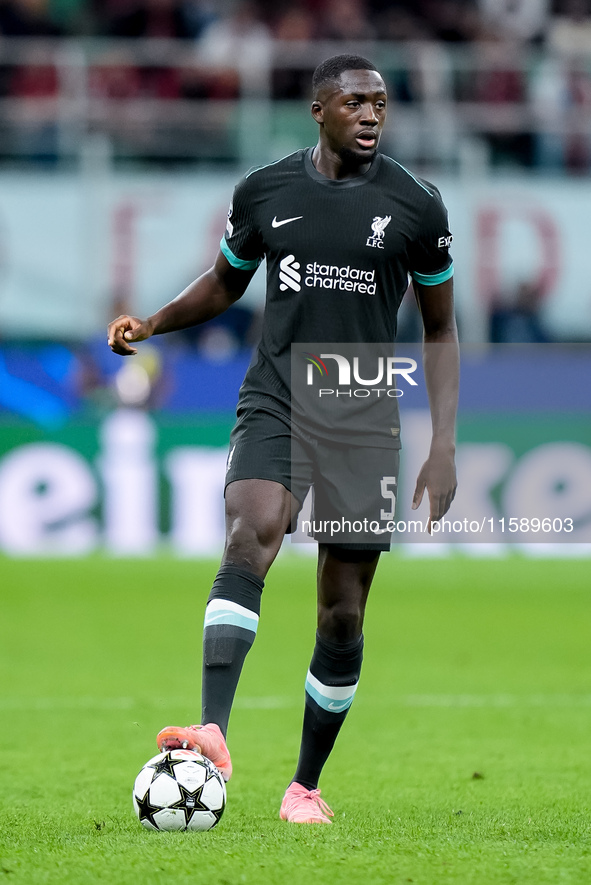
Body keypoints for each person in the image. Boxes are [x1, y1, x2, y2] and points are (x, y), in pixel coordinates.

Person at [108, 54, 459, 825]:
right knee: (249, 533)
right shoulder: (266, 191)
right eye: (355, 103)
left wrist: (443, 445)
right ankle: (211, 732)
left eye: (381, 104)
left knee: (342, 613)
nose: (371, 116)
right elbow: (225, 282)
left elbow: (440, 330)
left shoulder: (416, 205)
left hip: (363, 407)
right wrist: (155, 320)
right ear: (318, 110)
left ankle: (304, 784)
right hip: (279, 393)